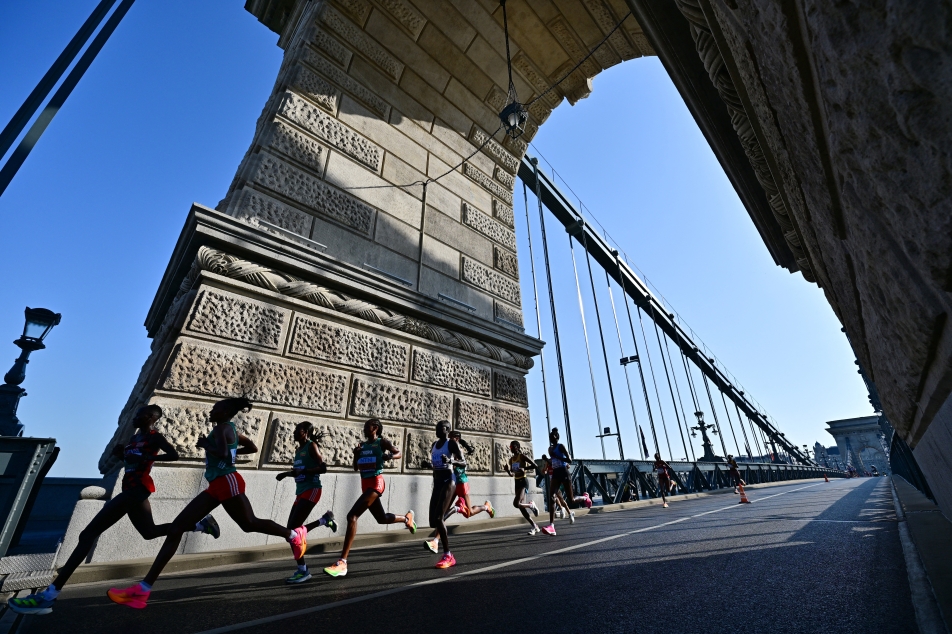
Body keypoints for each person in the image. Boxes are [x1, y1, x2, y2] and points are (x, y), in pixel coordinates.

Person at [8, 405, 220, 615]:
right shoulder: (135, 438)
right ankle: (200, 525)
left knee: (87, 534)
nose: (135, 417)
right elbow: (131, 463)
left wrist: (146, 458)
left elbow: (174, 455)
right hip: (130, 488)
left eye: (139, 415)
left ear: (151, 417)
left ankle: (49, 595)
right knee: (149, 532)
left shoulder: (155, 437)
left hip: (137, 490)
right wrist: (121, 455)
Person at [107, 398, 307, 609]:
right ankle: (143, 590)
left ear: (225, 412)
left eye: (215, 409)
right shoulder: (229, 429)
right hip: (219, 484)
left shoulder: (222, 429)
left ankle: (294, 535)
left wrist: (206, 445)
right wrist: (230, 453)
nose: (211, 411)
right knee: (234, 525)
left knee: (247, 523)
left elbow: (222, 453)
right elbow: (251, 447)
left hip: (226, 481)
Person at [323, 418, 416, 578]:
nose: (365, 428)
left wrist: (389, 457)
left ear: (375, 428)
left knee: (352, 516)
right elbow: (355, 467)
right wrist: (355, 455)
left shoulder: (382, 442)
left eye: (367, 426)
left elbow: (398, 453)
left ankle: (342, 562)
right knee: (381, 518)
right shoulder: (363, 446)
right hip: (365, 485)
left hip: (376, 483)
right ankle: (406, 519)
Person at [275, 421, 338, 584]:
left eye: (298, 430)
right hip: (301, 491)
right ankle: (324, 520)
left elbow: (323, 468)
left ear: (305, 433)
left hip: (312, 490)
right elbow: (299, 471)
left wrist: (302, 471)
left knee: (293, 531)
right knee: (290, 530)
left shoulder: (312, 446)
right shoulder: (298, 450)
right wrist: (287, 474)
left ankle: (303, 570)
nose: (294, 432)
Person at [425, 430, 495, 555]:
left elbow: (461, 464)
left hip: (461, 483)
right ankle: (435, 541)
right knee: (443, 513)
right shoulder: (447, 448)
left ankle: (486, 507)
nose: (449, 440)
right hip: (450, 484)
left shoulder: (458, 451)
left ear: (456, 439)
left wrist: (451, 461)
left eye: (451, 438)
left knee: (469, 513)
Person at [423, 421, 463, 569]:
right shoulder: (434, 445)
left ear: (446, 430)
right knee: (433, 522)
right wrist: (429, 466)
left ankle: (448, 554)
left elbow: (463, 462)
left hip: (448, 481)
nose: (436, 430)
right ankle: (457, 508)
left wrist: (451, 460)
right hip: (437, 483)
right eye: (436, 427)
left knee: (439, 518)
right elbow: (437, 464)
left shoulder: (451, 444)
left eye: (439, 428)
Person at [544, 428, 591, 535]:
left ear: (556, 437)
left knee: (572, 499)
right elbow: (552, 463)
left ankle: (585, 497)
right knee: (552, 497)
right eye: (549, 437)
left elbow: (569, 460)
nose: (551, 438)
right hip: (556, 473)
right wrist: (546, 460)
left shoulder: (561, 446)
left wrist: (557, 456)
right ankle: (551, 526)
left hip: (564, 472)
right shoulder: (550, 449)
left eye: (552, 437)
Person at [506, 440, 541, 535]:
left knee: (516, 503)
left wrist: (524, 469)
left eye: (512, 447)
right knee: (520, 507)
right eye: (510, 447)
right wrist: (507, 471)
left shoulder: (522, 456)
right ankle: (534, 526)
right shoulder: (511, 459)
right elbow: (512, 473)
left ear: (517, 447)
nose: (511, 448)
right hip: (516, 482)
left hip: (523, 482)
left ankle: (531, 505)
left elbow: (535, 465)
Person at [541, 453, 571, 522]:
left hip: (558, 480)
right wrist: (545, 471)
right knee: (557, 497)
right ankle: (568, 512)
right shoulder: (548, 462)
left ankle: (563, 509)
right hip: (552, 480)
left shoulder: (558, 461)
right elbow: (545, 470)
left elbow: (568, 466)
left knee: (558, 496)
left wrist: (564, 466)